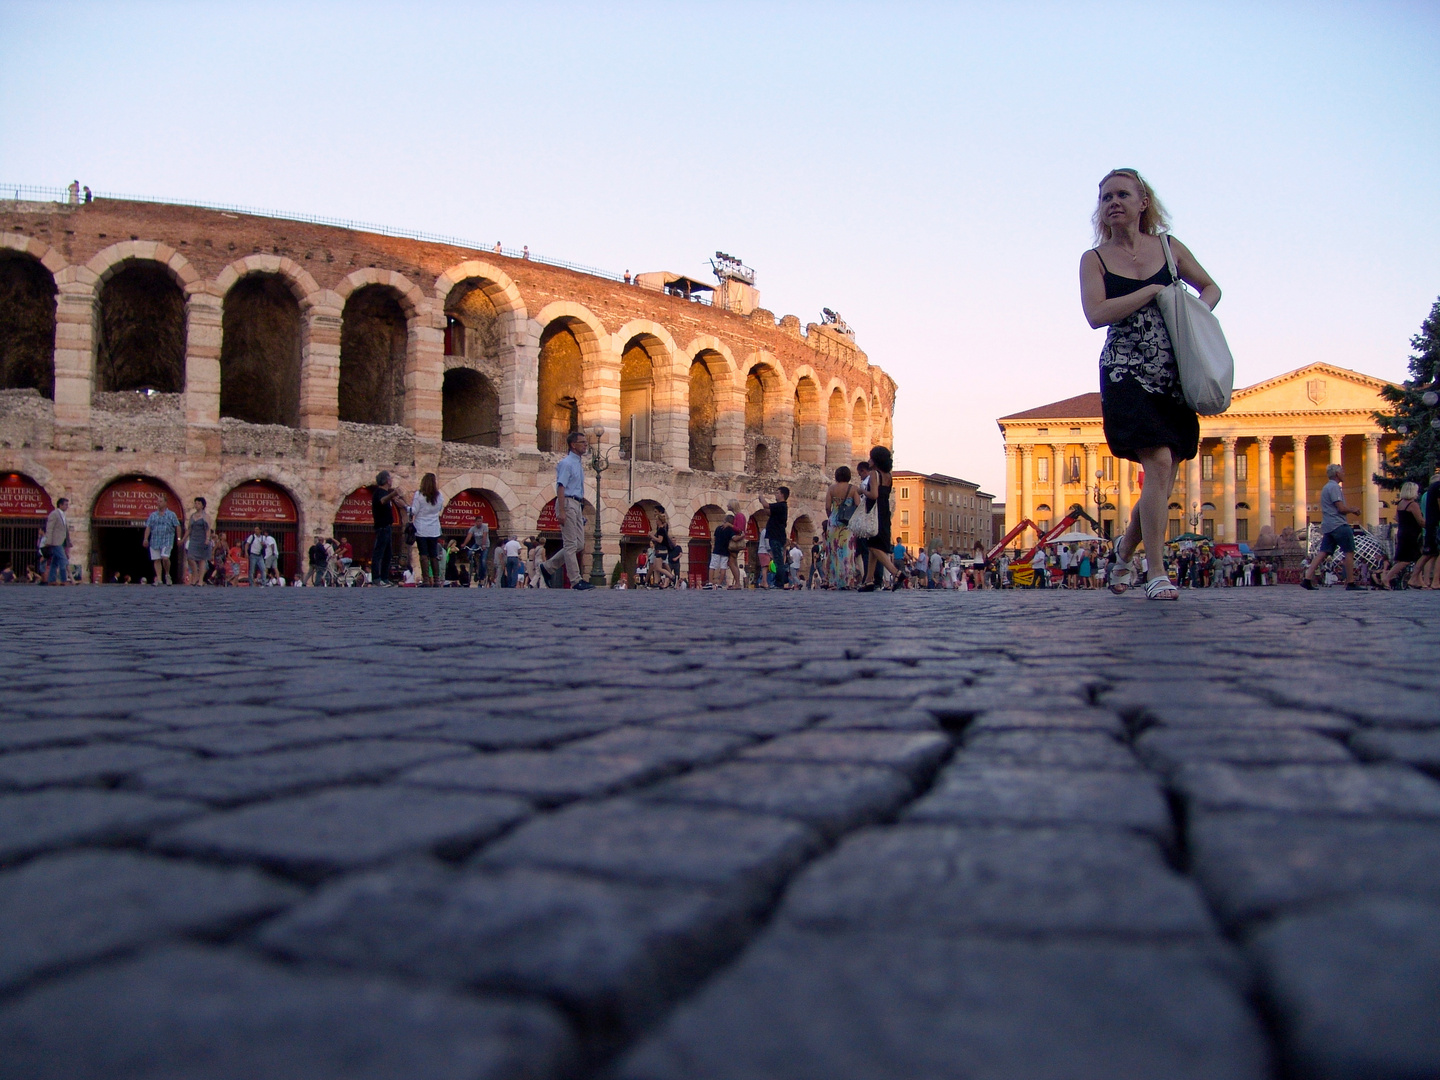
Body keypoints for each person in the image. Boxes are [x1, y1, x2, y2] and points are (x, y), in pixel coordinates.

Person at [1080, 168, 1219, 601]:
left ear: (1144, 202)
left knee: (1162, 474)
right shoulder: (1094, 259)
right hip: (1125, 371)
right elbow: (1096, 314)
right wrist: (1154, 292)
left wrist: (1194, 316)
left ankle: (1123, 552)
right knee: (1157, 464)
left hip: (1172, 371)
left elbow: (1210, 288)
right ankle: (1156, 572)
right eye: (1106, 197)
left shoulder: (1169, 247)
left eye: (1123, 194)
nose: (1113, 202)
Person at [541, 431, 593, 590]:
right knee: (571, 544)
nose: (585, 445)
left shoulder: (577, 463)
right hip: (568, 503)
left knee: (579, 544)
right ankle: (576, 580)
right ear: (573, 445)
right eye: (582, 442)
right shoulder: (567, 463)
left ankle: (548, 567)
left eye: (586, 442)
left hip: (576, 504)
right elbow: (561, 486)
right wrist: (561, 511)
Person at [1302, 464, 1361, 590]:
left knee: (1323, 552)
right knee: (1349, 551)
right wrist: (1353, 510)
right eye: (1342, 471)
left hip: (1328, 525)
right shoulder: (1334, 487)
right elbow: (1340, 508)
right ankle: (1350, 582)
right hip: (1339, 524)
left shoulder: (1325, 487)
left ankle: (1307, 578)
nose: (1344, 473)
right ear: (1337, 474)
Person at [859, 446, 903, 591]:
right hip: (884, 511)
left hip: (875, 512)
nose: (868, 460)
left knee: (873, 546)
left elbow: (874, 495)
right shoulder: (888, 476)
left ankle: (896, 573)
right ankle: (869, 580)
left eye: (871, 457)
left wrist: (862, 490)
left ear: (875, 460)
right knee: (874, 546)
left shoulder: (874, 474)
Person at [825, 466, 860, 589]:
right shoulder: (853, 489)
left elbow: (828, 507)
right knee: (847, 551)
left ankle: (834, 581)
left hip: (834, 521)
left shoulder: (831, 489)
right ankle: (848, 580)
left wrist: (831, 517)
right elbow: (858, 505)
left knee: (834, 551)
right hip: (847, 523)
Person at [409, 473, 445, 586]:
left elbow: (414, 510)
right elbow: (439, 508)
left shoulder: (419, 495)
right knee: (433, 554)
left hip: (421, 528)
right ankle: (437, 579)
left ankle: (425, 579)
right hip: (434, 528)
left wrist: (406, 508)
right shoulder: (439, 496)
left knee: (423, 554)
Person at [370, 471, 404, 586]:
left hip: (388, 527)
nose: (391, 480)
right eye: (390, 478)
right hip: (382, 527)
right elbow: (382, 501)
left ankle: (384, 578)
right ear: (386, 480)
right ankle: (376, 578)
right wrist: (393, 493)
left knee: (387, 554)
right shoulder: (379, 492)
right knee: (378, 553)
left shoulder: (385, 493)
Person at [142, 494, 181, 586]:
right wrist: (145, 538)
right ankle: (159, 579)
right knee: (156, 559)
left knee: (165, 557)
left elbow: (177, 526)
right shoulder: (153, 515)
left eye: (160, 501)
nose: (158, 503)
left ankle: (167, 574)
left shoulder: (171, 515)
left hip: (167, 540)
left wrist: (178, 538)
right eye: (157, 501)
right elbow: (148, 527)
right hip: (155, 540)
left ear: (165, 503)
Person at [758, 487, 790, 589]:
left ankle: (779, 583)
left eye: (777, 493)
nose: (775, 495)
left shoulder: (781, 505)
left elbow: (766, 505)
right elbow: (768, 512)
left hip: (776, 536)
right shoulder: (780, 507)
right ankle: (780, 582)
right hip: (775, 536)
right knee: (777, 560)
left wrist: (761, 496)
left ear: (782, 495)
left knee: (778, 560)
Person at [41, 496, 71, 585]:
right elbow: (49, 528)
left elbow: (64, 530)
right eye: (65, 504)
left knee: (55, 561)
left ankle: (52, 580)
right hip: (55, 542)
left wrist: (68, 541)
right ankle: (63, 580)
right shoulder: (54, 514)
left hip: (62, 541)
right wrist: (48, 541)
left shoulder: (63, 515)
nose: (67, 506)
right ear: (60, 505)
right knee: (63, 560)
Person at [184, 498, 211, 586]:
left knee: (202, 560)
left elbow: (208, 529)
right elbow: (189, 529)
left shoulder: (205, 516)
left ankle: (200, 580)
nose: (196, 505)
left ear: (203, 505)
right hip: (193, 539)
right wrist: (183, 539)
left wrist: (207, 539)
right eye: (195, 503)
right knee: (190, 558)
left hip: (202, 539)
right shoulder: (192, 516)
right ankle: (195, 573)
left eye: (198, 503)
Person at [710, 513, 738, 588]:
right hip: (725, 551)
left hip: (716, 550)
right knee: (723, 567)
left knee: (712, 566)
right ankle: (719, 583)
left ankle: (710, 582)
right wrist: (742, 536)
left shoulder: (718, 528)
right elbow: (734, 538)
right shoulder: (730, 530)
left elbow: (715, 539)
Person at [463, 516, 490, 586]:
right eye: (478, 521)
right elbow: (469, 536)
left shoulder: (485, 527)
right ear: (475, 522)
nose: (479, 523)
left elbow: (484, 536)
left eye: (480, 521)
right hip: (477, 544)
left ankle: (482, 576)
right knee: (469, 552)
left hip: (485, 545)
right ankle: (473, 564)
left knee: (483, 561)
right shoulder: (473, 528)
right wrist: (464, 544)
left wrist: (483, 545)